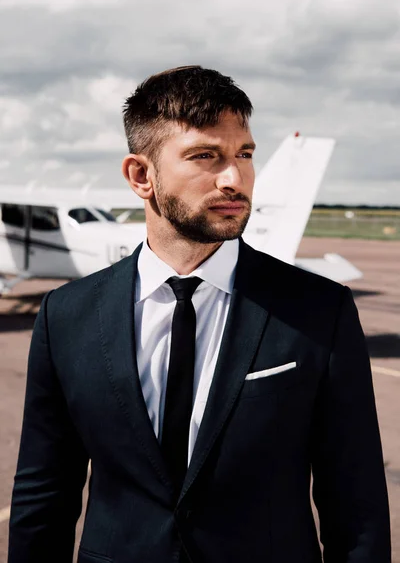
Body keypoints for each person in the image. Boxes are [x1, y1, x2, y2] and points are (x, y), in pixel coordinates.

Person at [8, 66, 390, 563]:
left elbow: (355, 502)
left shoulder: (320, 309)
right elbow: (44, 495)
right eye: (205, 156)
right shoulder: (66, 315)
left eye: (245, 154)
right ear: (141, 175)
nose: (235, 178)